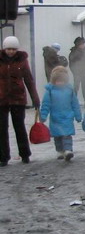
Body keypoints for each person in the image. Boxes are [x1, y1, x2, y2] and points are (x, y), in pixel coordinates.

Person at [1, 35, 41, 166]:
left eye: (13, 49)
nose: (11, 51)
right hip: (1, 99)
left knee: (19, 127)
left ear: (16, 49)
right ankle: (3, 157)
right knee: (1, 129)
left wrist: (35, 98)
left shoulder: (22, 61)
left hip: (18, 99)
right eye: (8, 49)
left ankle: (25, 154)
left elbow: (29, 80)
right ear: (4, 48)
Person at [39, 65, 82, 161]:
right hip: (55, 117)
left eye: (62, 80)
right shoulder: (50, 91)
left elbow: (75, 104)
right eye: (57, 81)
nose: (60, 82)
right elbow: (46, 105)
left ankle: (68, 150)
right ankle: (59, 150)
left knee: (67, 135)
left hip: (67, 116)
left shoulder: (69, 91)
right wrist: (43, 116)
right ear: (53, 81)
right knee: (57, 136)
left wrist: (78, 115)